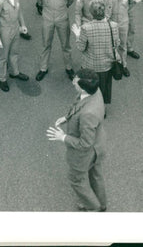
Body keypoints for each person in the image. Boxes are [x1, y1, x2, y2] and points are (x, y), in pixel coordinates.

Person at [46, 68, 107, 212]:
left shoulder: (88, 114)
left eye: (76, 82)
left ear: (84, 88)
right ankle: (102, 203)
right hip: (98, 146)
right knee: (95, 175)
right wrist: (67, 117)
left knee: (77, 180)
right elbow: (78, 105)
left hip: (85, 154)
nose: (73, 82)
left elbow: (85, 143)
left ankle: (93, 207)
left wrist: (63, 137)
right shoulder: (95, 92)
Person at [72, 1, 119, 114]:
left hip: (90, 66)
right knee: (103, 90)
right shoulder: (113, 26)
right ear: (105, 12)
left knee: (89, 90)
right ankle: (102, 110)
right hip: (106, 66)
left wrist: (77, 35)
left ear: (91, 13)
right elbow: (117, 44)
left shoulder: (86, 28)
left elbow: (81, 47)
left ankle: (89, 109)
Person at [35, 0, 76, 81]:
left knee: (66, 45)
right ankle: (43, 68)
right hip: (47, 18)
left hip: (62, 18)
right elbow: (39, 0)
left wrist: (61, 8)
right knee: (45, 44)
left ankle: (69, 68)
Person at [0, 0, 30, 92]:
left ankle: (15, 72)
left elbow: (19, 11)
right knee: (2, 57)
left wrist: (22, 25)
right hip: (4, 31)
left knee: (14, 52)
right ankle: (2, 79)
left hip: (15, 28)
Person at [103, 0, 132, 77]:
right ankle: (111, 66)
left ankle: (123, 65)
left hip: (124, 22)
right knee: (110, 45)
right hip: (111, 22)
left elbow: (132, 2)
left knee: (123, 45)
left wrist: (125, 12)